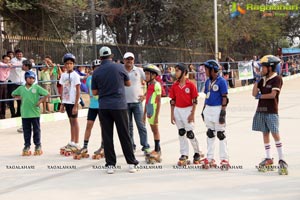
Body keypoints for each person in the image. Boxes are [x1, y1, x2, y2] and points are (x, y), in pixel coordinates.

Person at [92, 46, 139, 174]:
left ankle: (110, 165)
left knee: (107, 136)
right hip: (119, 105)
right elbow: (128, 83)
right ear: (111, 56)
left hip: (104, 106)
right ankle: (131, 163)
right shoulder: (119, 67)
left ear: (100, 57)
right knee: (124, 134)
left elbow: (94, 92)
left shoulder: (96, 72)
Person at [252, 55, 288, 175]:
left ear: (270, 67)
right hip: (261, 110)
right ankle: (268, 158)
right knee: (265, 134)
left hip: (272, 110)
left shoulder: (277, 79)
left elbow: (273, 95)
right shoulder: (263, 79)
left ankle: (282, 159)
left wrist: (260, 96)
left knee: (275, 134)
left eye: (263, 67)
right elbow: (254, 93)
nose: (261, 69)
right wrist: (257, 81)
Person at [169, 63, 203, 166]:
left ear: (184, 72)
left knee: (190, 133)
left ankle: (197, 152)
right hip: (178, 110)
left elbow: (195, 100)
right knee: (181, 132)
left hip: (188, 110)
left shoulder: (190, 85)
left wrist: (192, 114)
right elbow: (172, 101)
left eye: (178, 70)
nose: (175, 72)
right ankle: (184, 154)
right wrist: (172, 115)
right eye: (175, 70)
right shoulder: (174, 85)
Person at [200, 60, 230, 170]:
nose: (205, 71)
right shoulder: (207, 82)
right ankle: (210, 157)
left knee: (221, 134)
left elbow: (225, 98)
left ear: (213, 70)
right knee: (210, 133)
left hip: (218, 109)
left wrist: (223, 112)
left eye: (207, 69)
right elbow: (206, 96)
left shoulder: (222, 81)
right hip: (208, 109)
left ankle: (224, 158)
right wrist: (203, 110)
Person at [11, 71, 49, 156]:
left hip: (35, 113)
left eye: (33, 78)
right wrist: (19, 97)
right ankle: (27, 146)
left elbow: (47, 94)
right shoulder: (21, 88)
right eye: (30, 78)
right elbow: (13, 94)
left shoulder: (37, 87)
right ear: (26, 79)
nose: (32, 80)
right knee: (26, 131)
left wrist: (40, 102)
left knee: (36, 130)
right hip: (25, 113)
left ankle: (38, 145)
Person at [73, 59, 104, 160]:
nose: (97, 70)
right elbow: (86, 89)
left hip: (102, 106)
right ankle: (85, 146)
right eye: (95, 68)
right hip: (92, 107)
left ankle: (103, 146)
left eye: (99, 68)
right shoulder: (89, 79)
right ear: (93, 69)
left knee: (103, 127)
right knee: (88, 126)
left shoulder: (104, 78)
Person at [123, 52, 150, 154]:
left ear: (133, 60)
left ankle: (145, 146)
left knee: (141, 125)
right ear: (124, 60)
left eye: (131, 59)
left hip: (137, 102)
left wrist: (145, 95)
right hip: (124, 104)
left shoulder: (139, 70)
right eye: (127, 59)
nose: (129, 61)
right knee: (128, 127)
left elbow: (150, 81)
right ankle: (131, 146)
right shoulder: (121, 70)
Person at [59, 53, 81, 156]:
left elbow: (78, 90)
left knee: (75, 121)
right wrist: (62, 103)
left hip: (73, 102)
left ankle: (76, 142)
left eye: (71, 63)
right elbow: (63, 89)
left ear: (73, 64)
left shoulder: (75, 75)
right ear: (64, 65)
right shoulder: (63, 75)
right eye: (67, 64)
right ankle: (72, 141)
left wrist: (76, 105)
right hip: (66, 101)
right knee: (70, 121)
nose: (69, 65)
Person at [143, 64, 162, 164]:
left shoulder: (156, 85)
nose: (145, 76)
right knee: (152, 130)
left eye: (147, 74)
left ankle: (157, 150)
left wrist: (156, 116)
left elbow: (158, 101)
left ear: (153, 75)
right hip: (149, 109)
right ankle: (157, 148)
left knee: (155, 130)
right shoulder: (149, 84)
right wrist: (144, 114)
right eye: (145, 73)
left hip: (154, 110)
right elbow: (147, 100)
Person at [7, 49, 26, 117]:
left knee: (20, 99)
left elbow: (30, 64)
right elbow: (14, 64)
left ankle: (19, 113)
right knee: (11, 98)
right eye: (18, 54)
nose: (19, 55)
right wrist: (23, 64)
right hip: (13, 81)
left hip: (21, 82)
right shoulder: (13, 60)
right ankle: (13, 113)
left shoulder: (24, 59)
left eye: (20, 54)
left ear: (22, 54)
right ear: (15, 54)